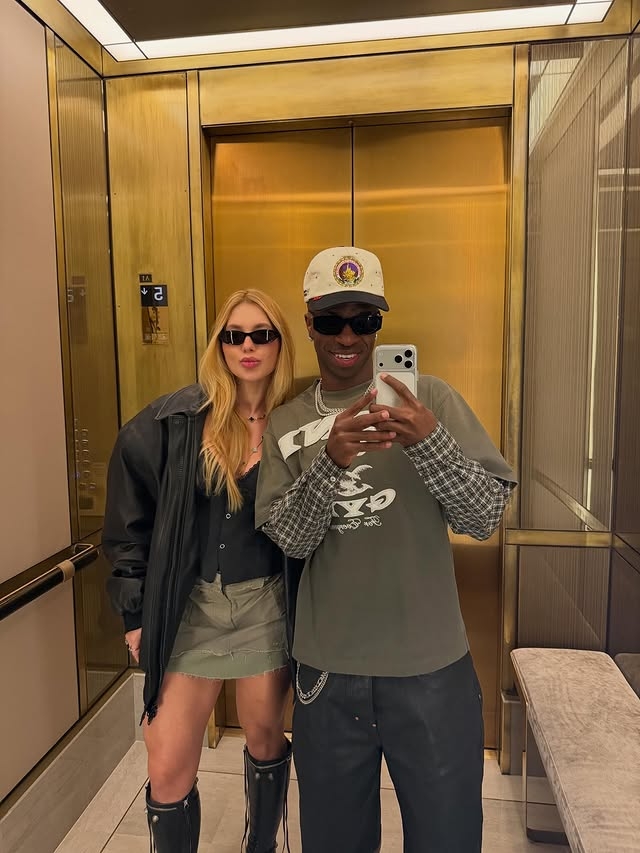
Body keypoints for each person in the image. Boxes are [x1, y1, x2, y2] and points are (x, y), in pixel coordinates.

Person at [255, 247, 517, 853]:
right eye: (331, 321)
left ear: (380, 323)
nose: (348, 336)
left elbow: (483, 518)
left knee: (448, 837)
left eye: (364, 320)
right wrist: (330, 462)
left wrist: (430, 444)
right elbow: (290, 540)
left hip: (432, 668)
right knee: (335, 841)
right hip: (328, 672)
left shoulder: (432, 402)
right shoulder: (286, 424)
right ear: (309, 324)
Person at [103, 289, 296, 853]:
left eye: (261, 334)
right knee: (166, 762)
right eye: (234, 335)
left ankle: (262, 845)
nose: (247, 346)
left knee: (266, 738)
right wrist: (135, 612)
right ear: (220, 345)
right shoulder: (177, 420)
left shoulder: (298, 420)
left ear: (280, 343)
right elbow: (129, 521)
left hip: (266, 604)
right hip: (191, 609)